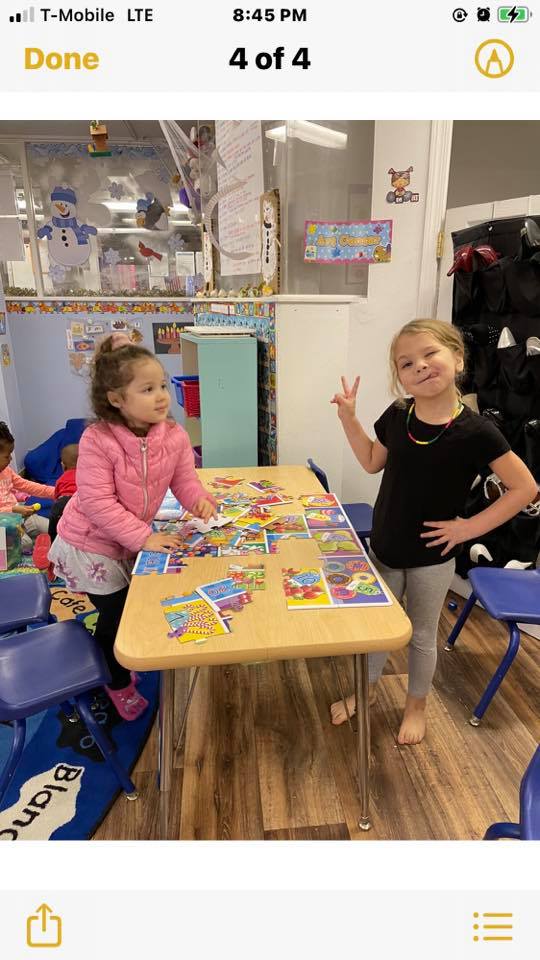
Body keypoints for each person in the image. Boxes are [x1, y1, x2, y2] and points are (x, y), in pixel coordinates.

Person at [330, 319, 537, 745]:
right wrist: (349, 418)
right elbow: (371, 461)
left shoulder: (477, 431)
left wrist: (469, 528)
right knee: (377, 627)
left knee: (422, 635)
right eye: (407, 363)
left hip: (433, 556)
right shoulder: (397, 415)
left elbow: (525, 488)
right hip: (385, 546)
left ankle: (416, 705)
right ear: (400, 377)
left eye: (430, 354)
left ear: (457, 358)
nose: (420, 366)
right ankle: (366, 691)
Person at [49, 333, 218, 721]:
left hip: (125, 543)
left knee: (127, 609)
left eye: (161, 385)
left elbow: (185, 480)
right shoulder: (98, 439)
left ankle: (119, 663)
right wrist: (145, 537)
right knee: (118, 616)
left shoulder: (173, 435)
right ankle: (116, 681)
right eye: (147, 389)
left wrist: (199, 500)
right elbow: (96, 502)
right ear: (116, 399)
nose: (161, 396)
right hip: (89, 544)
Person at [0, 421, 55, 545]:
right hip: (5, 526)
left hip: (20, 518)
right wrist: (14, 509)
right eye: (7, 456)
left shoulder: (7, 471)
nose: (10, 459)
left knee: (53, 528)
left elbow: (28, 485)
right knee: (26, 544)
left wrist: (57, 492)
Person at [32, 443, 79, 570]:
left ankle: (53, 559)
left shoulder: (62, 479)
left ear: (63, 466)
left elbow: (56, 496)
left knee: (55, 533)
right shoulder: (87, 475)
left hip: (60, 505)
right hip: (79, 504)